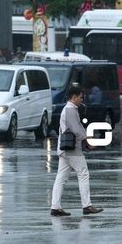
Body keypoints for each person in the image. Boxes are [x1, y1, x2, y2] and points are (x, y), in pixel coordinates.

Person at [50, 85, 103, 216]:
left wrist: (85, 139)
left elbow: (77, 128)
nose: (82, 100)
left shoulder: (70, 109)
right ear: (73, 97)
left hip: (65, 148)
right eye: (80, 97)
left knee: (61, 178)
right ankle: (87, 205)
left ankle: (55, 207)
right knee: (83, 173)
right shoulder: (70, 110)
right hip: (71, 149)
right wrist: (87, 141)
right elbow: (76, 129)